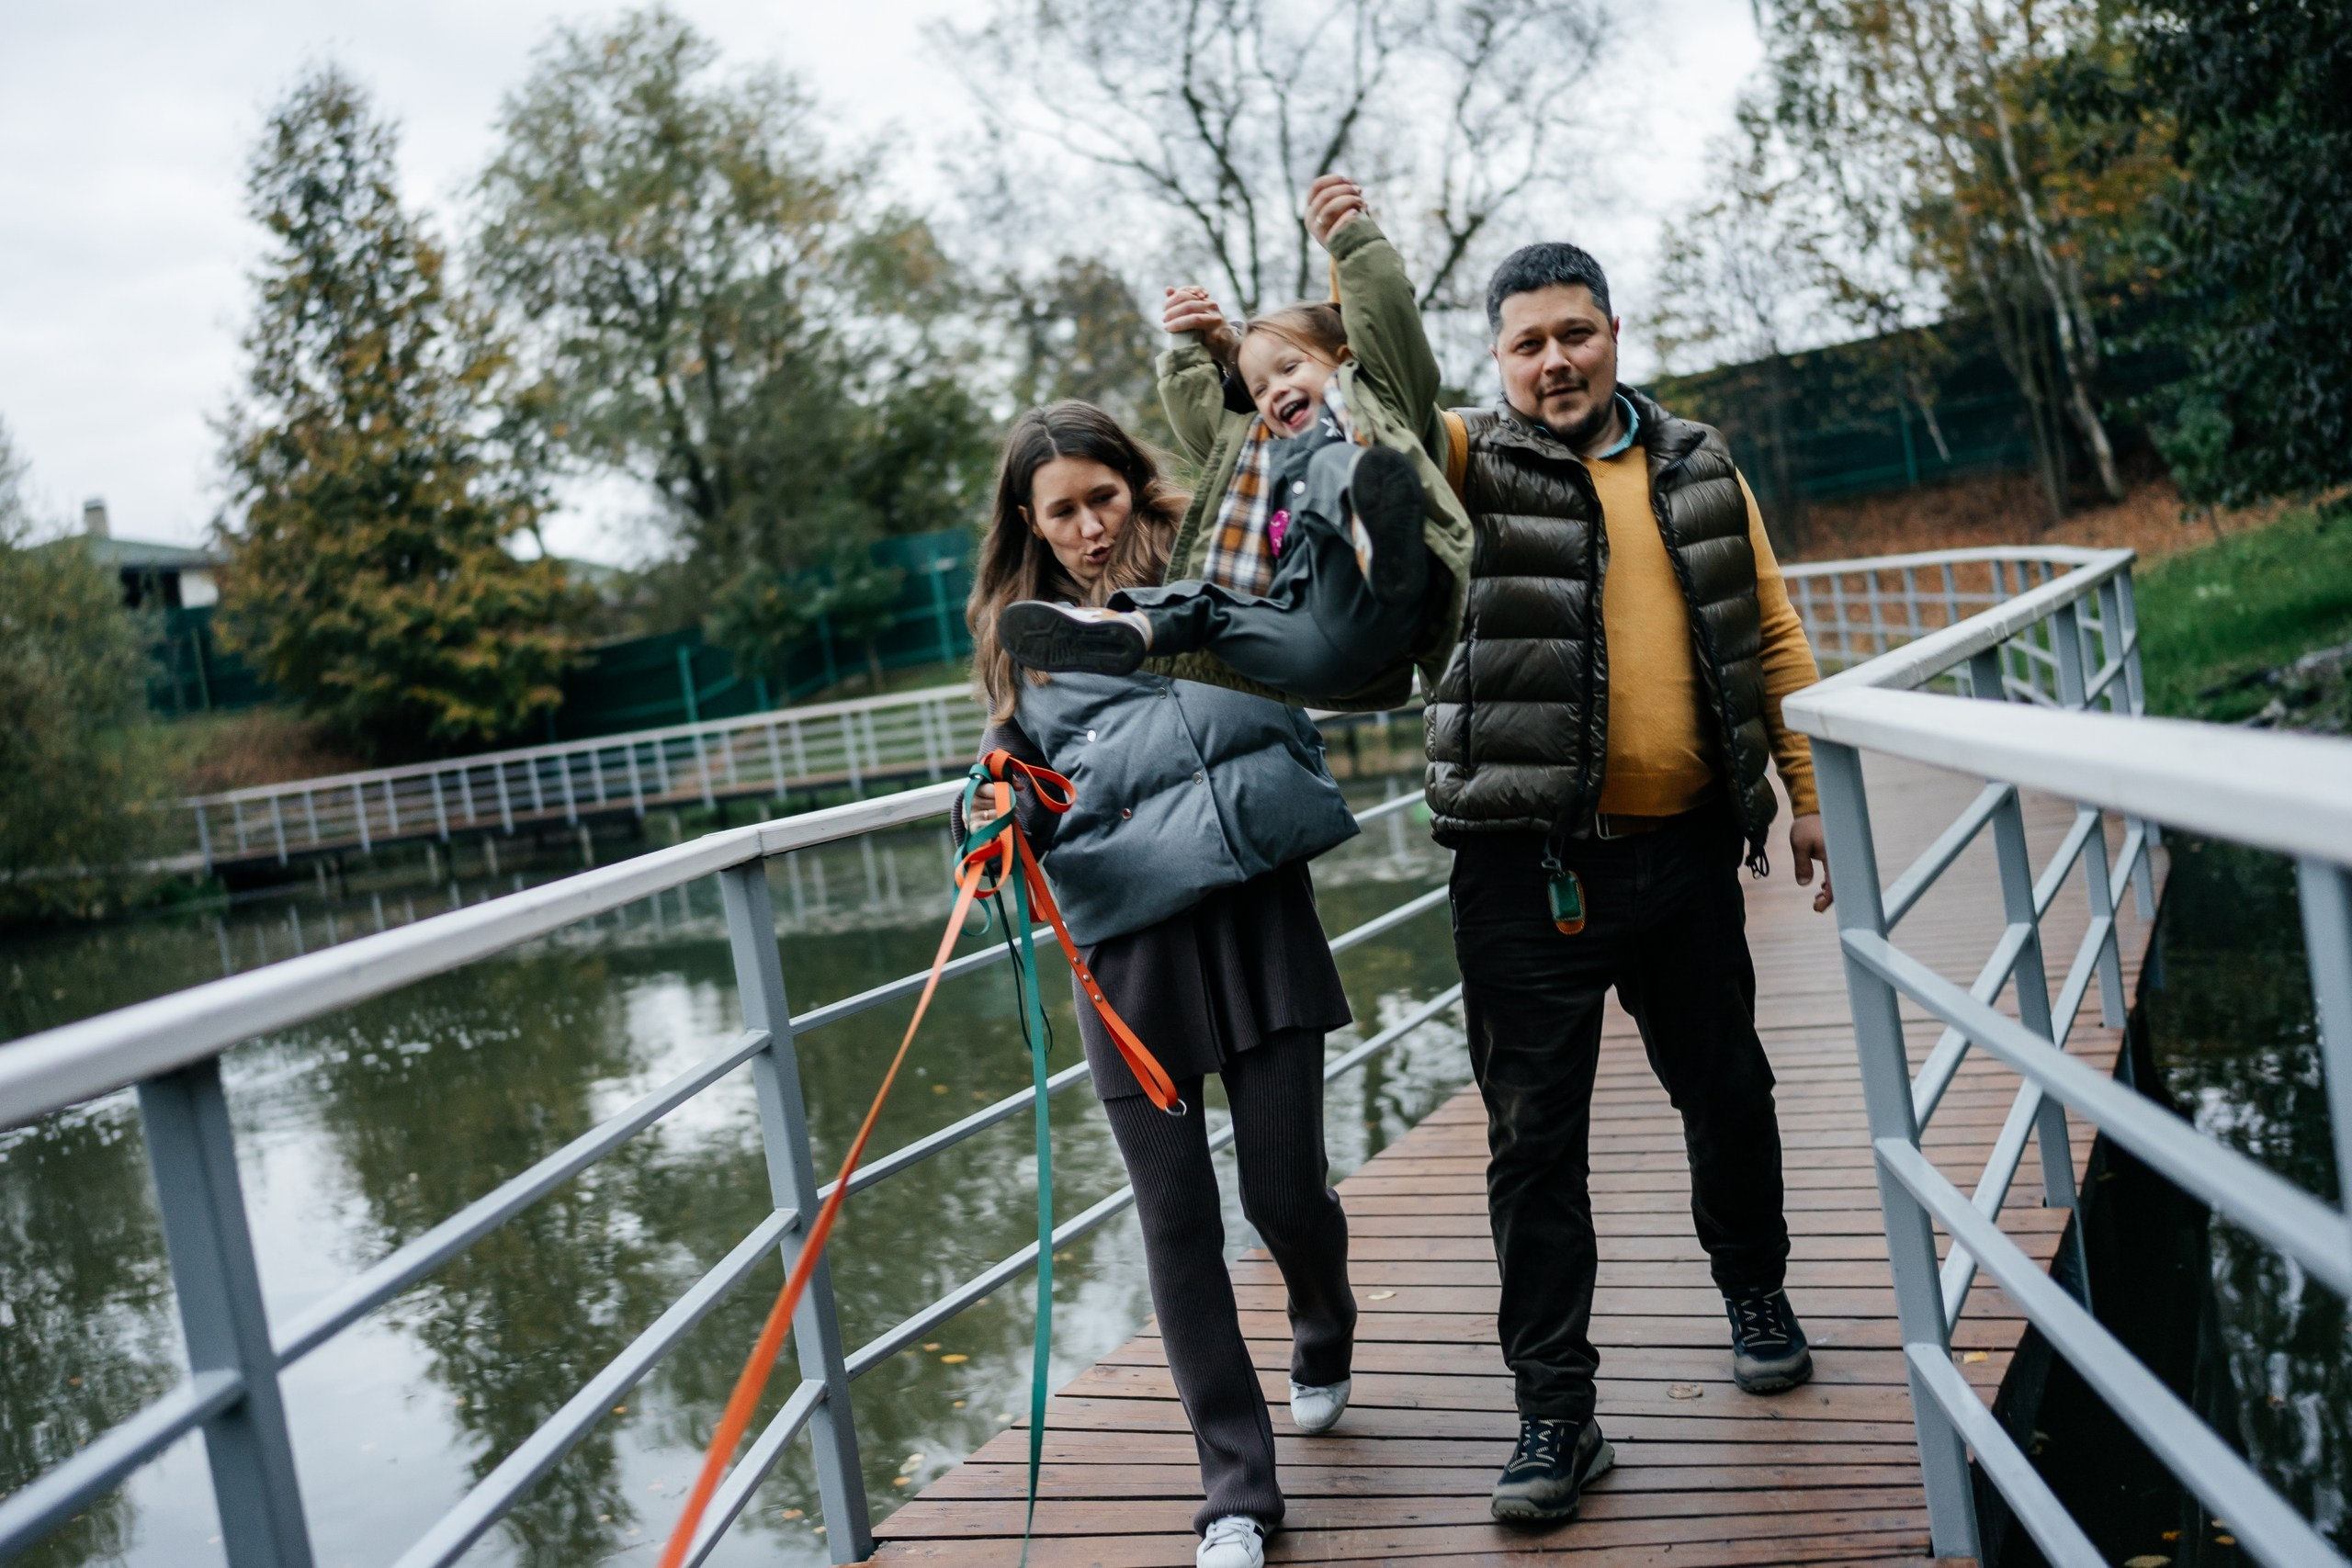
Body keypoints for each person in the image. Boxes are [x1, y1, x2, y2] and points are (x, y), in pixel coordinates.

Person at [1429, 242, 1838, 1526]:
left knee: (1728, 1084)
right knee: (1531, 1143)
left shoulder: (1702, 460)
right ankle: (1556, 1412)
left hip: (1685, 854)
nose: (1556, 359)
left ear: (1615, 331)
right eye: (1527, 343)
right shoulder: (1465, 466)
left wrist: (1809, 792)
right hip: (1521, 869)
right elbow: (1371, 400)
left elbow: (1768, 626)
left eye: (1575, 333)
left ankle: (1755, 1290)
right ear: (1497, 362)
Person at [961, 400, 1363, 1568]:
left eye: (1103, 497)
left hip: (1254, 910)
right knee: (1178, 1223)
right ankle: (1235, 1490)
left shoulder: (1222, 569)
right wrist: (997, 808)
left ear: (1134, 486)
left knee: (1286, 1194)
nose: (1088, 528)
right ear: (1027, 526)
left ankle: (1323, 1317)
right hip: (1128, 947)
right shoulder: (1017, 634)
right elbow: (1012, 769)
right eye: (1062, 512)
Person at [995, 175, 1472, 712]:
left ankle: (1379, 537)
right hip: (1300, 642)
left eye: (1291, 368)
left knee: (1337, 466)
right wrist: (1185, 349)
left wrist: (1351, 239)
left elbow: (1388, 320)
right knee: (1204, 604)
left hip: (1379, 601)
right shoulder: (1256, 455)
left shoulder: (1377, 403)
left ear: (1343, 358)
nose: (1276, 392)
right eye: (1260, 388)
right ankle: (1121, 630)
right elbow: (1205, 422)